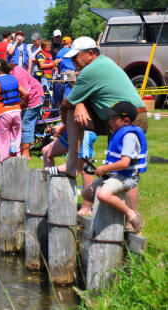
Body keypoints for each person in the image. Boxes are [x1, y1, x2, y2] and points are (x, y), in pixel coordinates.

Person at [50, 36, 148, 223]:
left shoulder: (90, 71)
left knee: (127, 171)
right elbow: (81, 98)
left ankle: (132, 218)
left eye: (76, 57)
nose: (73, 61)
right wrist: (78, 104)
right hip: (117, 117)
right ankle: (127, 216)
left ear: (90, 54)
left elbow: (67, 102)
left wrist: (74, 106)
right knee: (124, 172)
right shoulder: (102, 64)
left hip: (128, 118)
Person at [81, 101, 146, 233]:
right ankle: (117, 207)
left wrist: (105, 169)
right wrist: (101, 170)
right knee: (86, 193)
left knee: (103, 195)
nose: (109, 121)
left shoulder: (129, 137)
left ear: (126, 120)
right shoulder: (118, 132)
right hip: (115, 175)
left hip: (127, 177)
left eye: (113, 118)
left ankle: (131, 214)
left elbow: (125, 163)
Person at [42, 124, 97, 216]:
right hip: (70, 130)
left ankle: (86, 208)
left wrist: (63, 126)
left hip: (84, 131)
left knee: (85, 169)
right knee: (46, 151)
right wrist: (63, 126)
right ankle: (51, 196)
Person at [9, 62, 44, 160]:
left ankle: (26, 154)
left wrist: (17, 107)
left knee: (25, 124)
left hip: (33, 98)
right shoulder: (10, 74)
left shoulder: (17, 73)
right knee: (20, 124)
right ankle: (16, 149)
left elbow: (25, 92)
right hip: (25, 100)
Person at [36, 40, 60, 108]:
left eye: (50, 46)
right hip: (44, 77)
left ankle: (47, 110)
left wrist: (55, 67)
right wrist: (53, 64)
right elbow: (42, 66)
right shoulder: (40, 55)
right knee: (43, 94)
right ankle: (40, 110)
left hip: (50, 77)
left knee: (48, 95)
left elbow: (51, 63)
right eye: (48, 47)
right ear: (43, 47)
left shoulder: (49, 54)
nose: (50, 48)